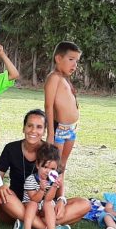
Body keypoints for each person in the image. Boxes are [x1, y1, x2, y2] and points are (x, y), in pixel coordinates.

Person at [0, 109, 91, 229]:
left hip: (45, 205)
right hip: (19, 204)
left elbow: (59, 177)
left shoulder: (50, 151)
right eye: (29, 126)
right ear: (23, 128)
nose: (33, 131)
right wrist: (1, 185)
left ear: (44, 131)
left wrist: (61, 200)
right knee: (4, 197)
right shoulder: (11, 148)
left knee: (84, 204)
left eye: (39, 127)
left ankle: (28, 224)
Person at [21, 143, 70, 229]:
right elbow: (34, 198)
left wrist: (54, 187)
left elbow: (48, 199)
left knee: (49, 204)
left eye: (52, 169)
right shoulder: (31, 179)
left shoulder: (52, 180)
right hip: (31, 204)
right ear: (38, 165)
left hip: (43, 206)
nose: (48, 171)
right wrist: (42, 189)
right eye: (45, 167)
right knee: (33, 204)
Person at [44, 41, 81, 173]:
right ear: (58, 58)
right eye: (71, 59)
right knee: (55, 166)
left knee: (63, 165)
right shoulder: (54, 78)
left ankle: (60, 193)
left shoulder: (64, 78)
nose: (74, 65)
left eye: (76, 61)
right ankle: (50, 193)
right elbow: (48, 106)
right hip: (59, 130)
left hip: (71, 129)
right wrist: (50, 134)